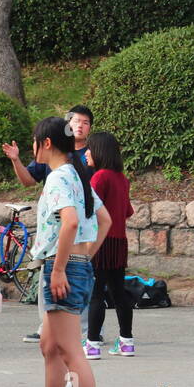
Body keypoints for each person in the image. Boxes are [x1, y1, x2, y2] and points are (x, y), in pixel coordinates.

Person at [10, 117, 111, 387]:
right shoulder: (77, 176)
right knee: (49, 346)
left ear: (47, 143)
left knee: (70, 351)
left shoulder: (57, 179)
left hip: (62, 266)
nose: (32, 148)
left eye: (34, 142)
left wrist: (60, 269)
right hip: (75, 264)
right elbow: (105, 220)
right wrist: (84, 258)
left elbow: (68, 223)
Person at [83, 131, 135, 357]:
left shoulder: (99, 177)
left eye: (89, 149)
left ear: (99, 151)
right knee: (118, 293)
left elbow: (90, 210)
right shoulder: (122, 179)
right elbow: (128, 211)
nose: (86, 153)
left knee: (96, 294)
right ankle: (126, 341)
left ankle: (92, 344)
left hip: (100, 242)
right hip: (119, 242)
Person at [2, 105, 93, 186]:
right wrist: (15, 160)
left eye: (85, 123)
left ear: (90, 128)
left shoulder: (94, 153)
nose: (80, 125)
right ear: (67, 124)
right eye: (76, 121)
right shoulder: (52, 151)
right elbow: (29, 181)